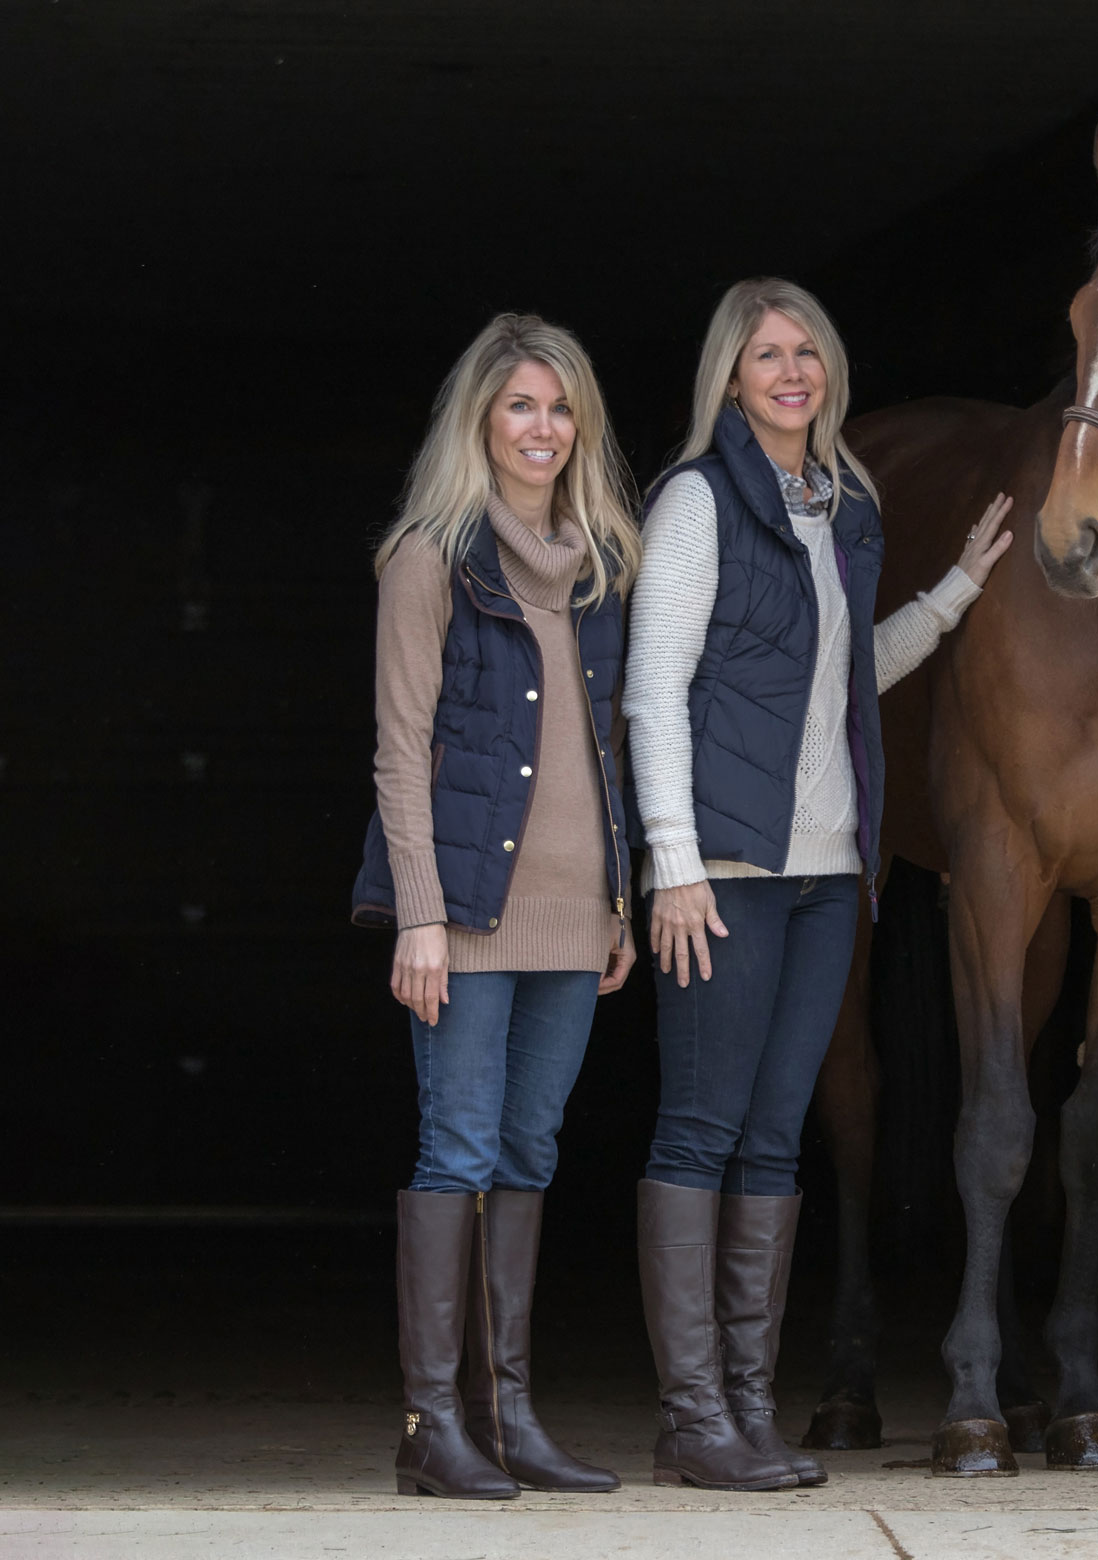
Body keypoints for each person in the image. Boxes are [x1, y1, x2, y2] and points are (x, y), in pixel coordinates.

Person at [623, 278, 1012, 1491]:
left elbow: (846, 679)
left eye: (807, 352)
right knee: (703, 1125)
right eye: (765, 355)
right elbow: (652, 688)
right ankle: (693, 1419)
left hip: (827, 874)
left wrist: (951, 598)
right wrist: (675, 863)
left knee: (780, 1137)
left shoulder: (840, 502)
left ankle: (746, 1408)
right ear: (729, 378)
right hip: (727, 871)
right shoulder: (696, 501)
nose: (791, 372)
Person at [351, 313, 640, 1499]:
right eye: (520, 405)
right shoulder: (430, 556)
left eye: (561, 407)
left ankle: (508, 1418)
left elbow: (610, 747)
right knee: (458, 1149)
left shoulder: (602, 563)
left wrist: (621, 901)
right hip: (466, 915)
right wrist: (418, 913)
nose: (543, 427)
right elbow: (399, 745)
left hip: (578, 918)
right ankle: (432, 1427)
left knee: (528, 1151)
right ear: (481, 419)